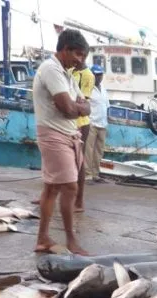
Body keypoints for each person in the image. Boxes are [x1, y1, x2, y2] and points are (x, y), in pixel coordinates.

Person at [32, 28, 91, 256]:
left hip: (68, 135)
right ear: (65, 49)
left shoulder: (67, 74)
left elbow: (85, 106)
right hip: (54, 134)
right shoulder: (51, 69)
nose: (80, 61)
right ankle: (71, 240)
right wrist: (75, 107)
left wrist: (75, 106)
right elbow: (68, 108)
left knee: (51, 188)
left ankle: (43, 238)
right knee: (70, 187)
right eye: (78, 55)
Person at [72, 59, 94, 211]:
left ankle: (79, 201)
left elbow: (84, 103)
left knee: (79, 160)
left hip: (80, 122)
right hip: (69, 121)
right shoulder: (70, 71)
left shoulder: (88, 75)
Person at [84, 64, 109, 183]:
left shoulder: (103, 88)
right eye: (96, 75)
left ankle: (95, 174)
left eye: (100, 75)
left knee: (99, 151)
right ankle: (87, 175)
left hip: (103, 124)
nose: (98, 77)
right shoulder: (88, 88)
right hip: (92, 123)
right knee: (88, 151)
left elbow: (106, 105)